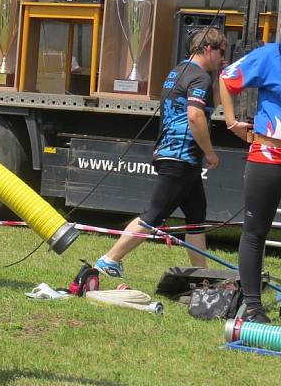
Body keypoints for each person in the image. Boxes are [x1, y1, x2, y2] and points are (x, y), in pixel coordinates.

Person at [95, 28, 228, 278]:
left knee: (196, 220)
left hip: (172, 154)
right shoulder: (198, 78)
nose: (223, 58)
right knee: (153, 215)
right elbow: (195, 115)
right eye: (222, 52)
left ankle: (202, 276)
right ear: (209, 49)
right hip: (181, 156)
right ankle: (109, 259)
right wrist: (209, 152)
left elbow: (211, 105)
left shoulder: (177, 72)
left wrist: (220, 73)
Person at [219, 41, 281, 323]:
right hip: (267, 156)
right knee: (255, 231)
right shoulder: (269, 56)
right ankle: (254, 308)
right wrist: (231, 122)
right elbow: (227, 78)